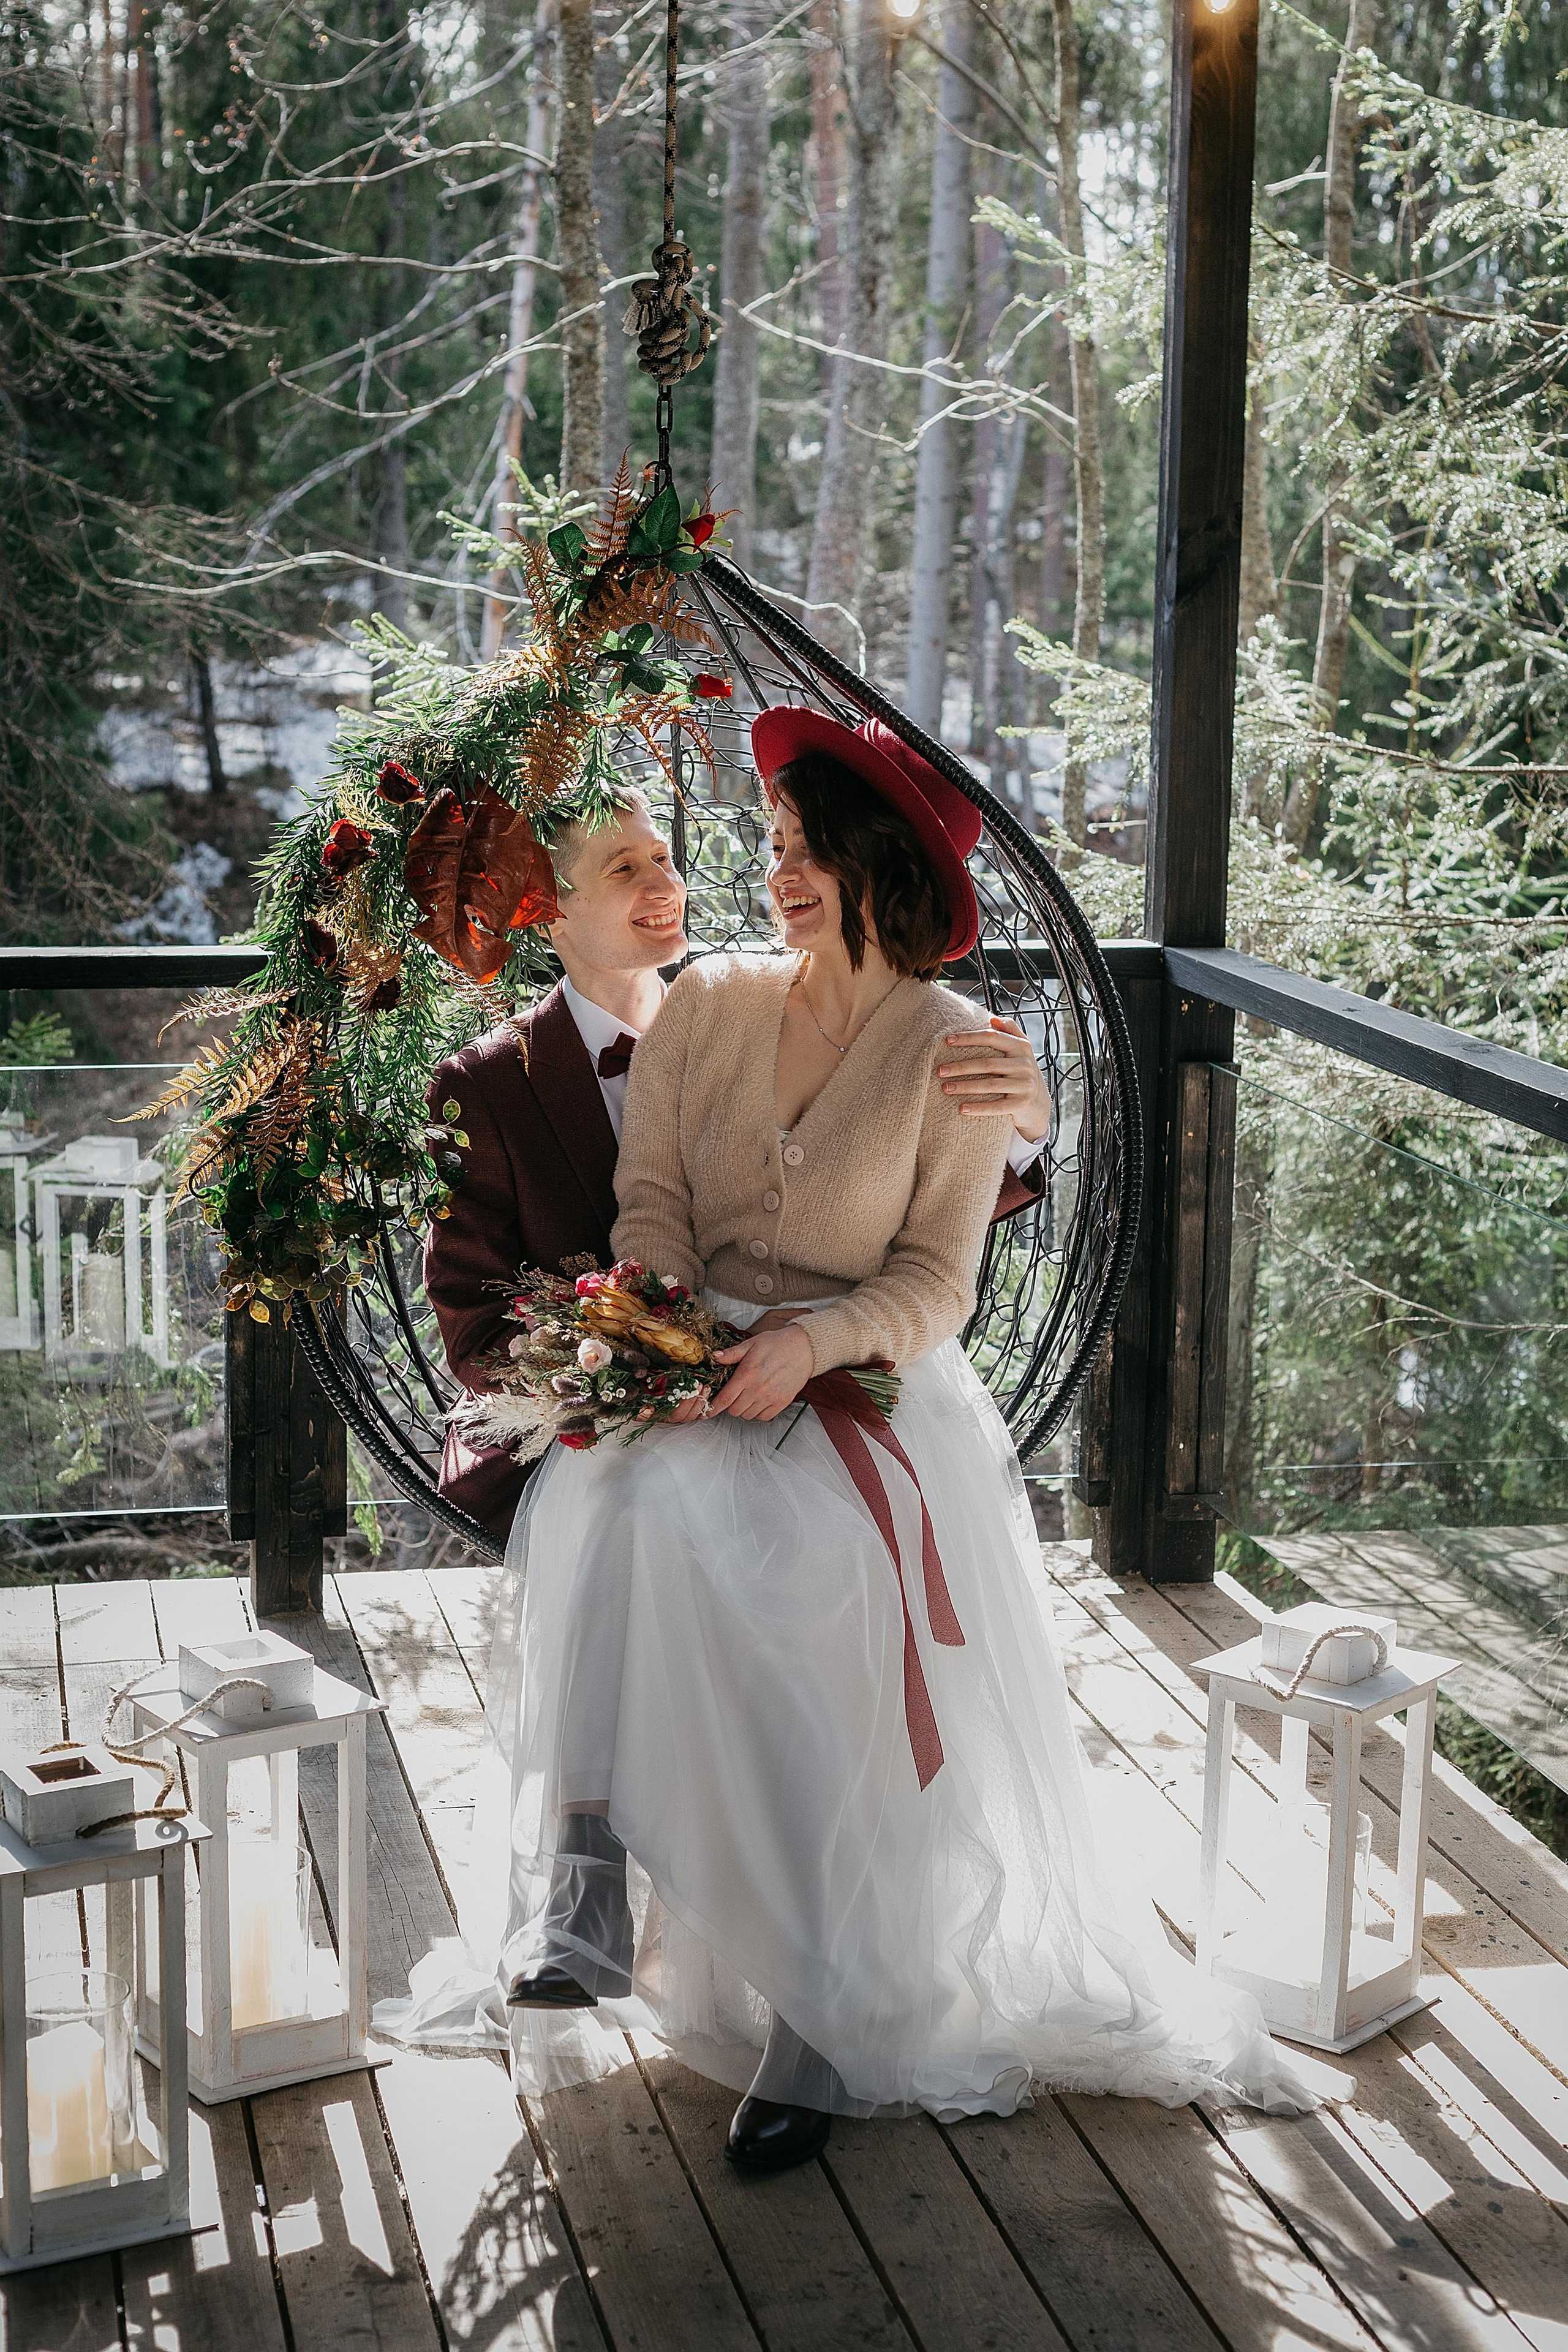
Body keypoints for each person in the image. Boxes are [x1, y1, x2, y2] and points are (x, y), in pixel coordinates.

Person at [378, 709, 1341, 2172]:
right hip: (686, 1353)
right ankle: (584, 1888)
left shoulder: (954, 1054)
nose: (777, 874)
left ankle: (822, 2011)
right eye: (767, 846)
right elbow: (651, 1200)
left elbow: (934, 1282)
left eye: (805, 847)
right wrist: (650, 1319)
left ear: (877, 862)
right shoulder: (705, 1002)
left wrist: (806, 1344)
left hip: (856, 1389)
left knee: (807, 1590)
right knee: (618, 1502)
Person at [423, 784, 1056, 1542]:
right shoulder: (490, 1083)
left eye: (661, 857)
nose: (664, 885)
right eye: (623, 870)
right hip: (605, 1406)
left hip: (835, 1369)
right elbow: (479, 1323)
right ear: (540, 908)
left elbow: (913, 1236)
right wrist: (632, 1371)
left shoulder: (728, 1002)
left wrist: (1025, 1125)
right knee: (652, 1526)